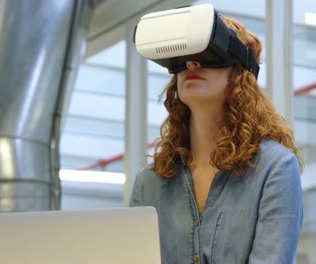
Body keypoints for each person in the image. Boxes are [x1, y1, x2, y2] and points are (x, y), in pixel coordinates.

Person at [130, 11, 304, 264]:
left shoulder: (274, 169)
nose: (192, 64)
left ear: (240, 72)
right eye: (184, 56)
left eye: (208, 54)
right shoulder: (148, 184)